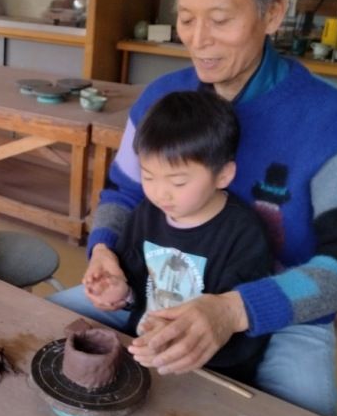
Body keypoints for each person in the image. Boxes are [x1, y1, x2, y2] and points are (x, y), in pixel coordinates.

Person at [50, 0, 337, 416]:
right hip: (151, 283)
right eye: (186, 19)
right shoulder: (161, 102)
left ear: (273, 14)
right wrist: (104, 248)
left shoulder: (335, 122)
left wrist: (234, 309)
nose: (197, 39)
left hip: (284, 311)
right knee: (45, 331)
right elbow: (122, 192)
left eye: (220, 20)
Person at [86, 91, 273, 386]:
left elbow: (243, 329)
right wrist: (121, 293)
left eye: (178, 181)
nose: (160, 193)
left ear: (223, 175)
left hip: (211, 372)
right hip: (146, 354)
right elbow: (138, 290)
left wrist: (179, 337)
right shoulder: (145, 215)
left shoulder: (243, 235)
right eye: (148, 176)